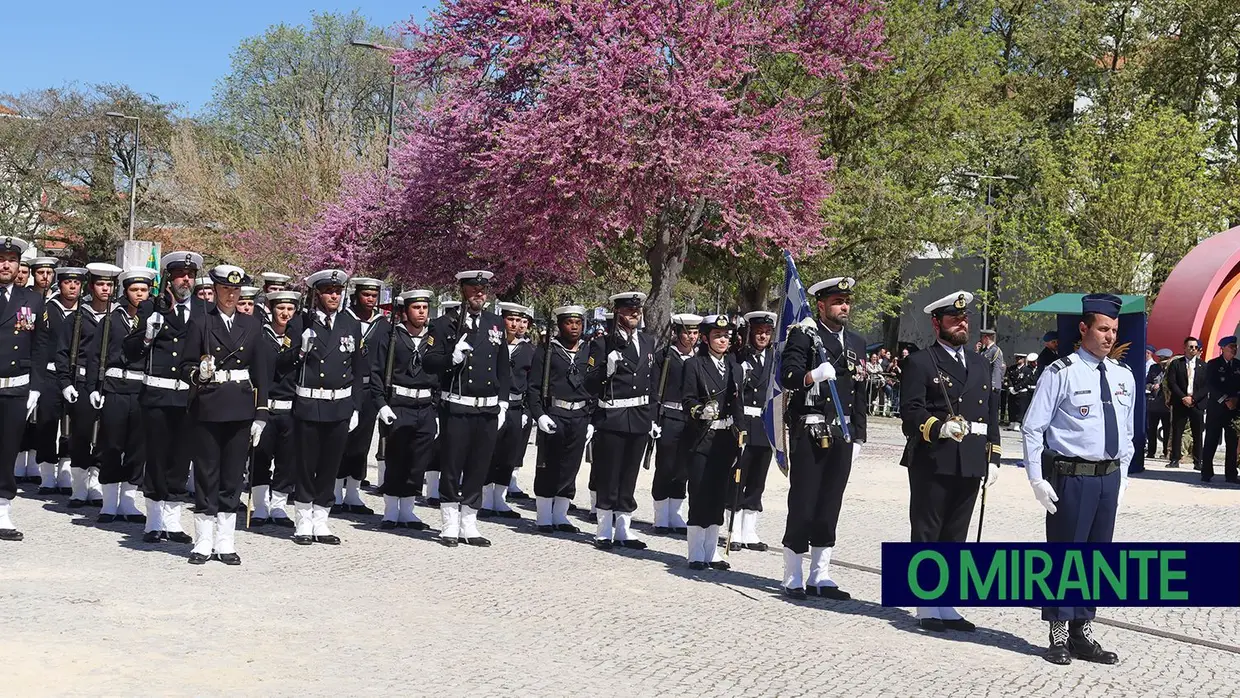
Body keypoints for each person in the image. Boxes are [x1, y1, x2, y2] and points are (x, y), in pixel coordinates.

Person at [1021, 293, 1133, 666]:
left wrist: (1125, 475)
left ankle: (1083, 630)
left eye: (1114, 330)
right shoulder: (1061, 372)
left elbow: (1128, 432)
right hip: (1072, 477)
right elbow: (1033, 428)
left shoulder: (1123, 376)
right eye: (1103, 328)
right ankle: (1057, 632)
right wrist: (1037, 478)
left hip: (1107, 478)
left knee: (1096, 558)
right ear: (1084, 328)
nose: (1109, 336)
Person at [899, 291, 1001, 631]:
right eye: (954, 319)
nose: (961, 324)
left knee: (956, 534)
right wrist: (939, 428)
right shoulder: (921, 361)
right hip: (934, 456)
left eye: (965, 319)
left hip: (971, 457)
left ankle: (947, 602)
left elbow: (991, 412)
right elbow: (910, 411)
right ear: (936, 323)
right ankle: (926, 604)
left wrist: (995, 454)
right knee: (928, 530)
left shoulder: (980, 363)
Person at [778, 276, 867, 600]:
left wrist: (859, 436)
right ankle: (793, 573)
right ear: (821, 305)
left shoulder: (855, 342)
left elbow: (859, 392)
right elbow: (786, 375)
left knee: (830, 503)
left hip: (842, 434)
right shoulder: (804, 335)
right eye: (837, 302)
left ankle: (820, 573)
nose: (844, 307)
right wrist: (812, 375)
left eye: (847, 301)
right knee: (803, 502)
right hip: (811, 431)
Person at [181, 264, 270, 565]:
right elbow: (185, 365)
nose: (231, 294)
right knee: (207, 474)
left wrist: (261, 413)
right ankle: (203, 540)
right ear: (215, 290)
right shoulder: (200, 322)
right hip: (208, 405)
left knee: (233, 476)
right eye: (225, 289)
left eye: (236, 290)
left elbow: (261, 373)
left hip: (241, 406)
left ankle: (226, 541)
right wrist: (198, 372)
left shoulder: (252, 324)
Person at [423, 270, 511, 547]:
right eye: (474, 289)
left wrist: (504, 402)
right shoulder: (444, 324)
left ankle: (470, 524)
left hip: (486, 408)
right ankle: (449, 523)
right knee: (452, 465)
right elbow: (429, 362)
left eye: (483, 290)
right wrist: (452, 357)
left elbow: (503, 366)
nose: (479, 295)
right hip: (457, 406)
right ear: (462, 290)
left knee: (478, 467)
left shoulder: (495, 323)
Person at [125, 251, 206, 543]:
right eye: (181, 274)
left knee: (180, 460)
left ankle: (172, 521)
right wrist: (147, 333)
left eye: (191, 275)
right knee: (156, 458)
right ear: (169, 278)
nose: (187, 279)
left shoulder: (202, 309)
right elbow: (129, 352)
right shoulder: (150, 307)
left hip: (187, 396)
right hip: (157, 394)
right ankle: (154, 520)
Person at [286, 269, 366, 545]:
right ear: (316, 294)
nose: (334, 296)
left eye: (338, 291)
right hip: (309, 403)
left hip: (339, 405)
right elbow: (282, 366)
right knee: (307, 465)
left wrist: (355, 405)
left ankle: (321, 520)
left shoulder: (350, 323)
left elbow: (358, 368)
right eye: (329, 291)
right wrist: (298, 351)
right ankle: (303, 520)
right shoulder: (301, 322)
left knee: (330, 465)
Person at [586, 291, 658, 551]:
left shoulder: (648, 342)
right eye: (629, 312)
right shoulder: (603, 344)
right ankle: (604, 529)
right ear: (618, 314)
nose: (634, 315)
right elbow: (589, 382)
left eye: (637, 311)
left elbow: (653, 383)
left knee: (629, 474)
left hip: (638, 417)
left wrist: (653, 417)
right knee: (609, 473)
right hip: (613, 416)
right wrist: (606, 370)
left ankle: (625, 529)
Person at [88, 268, 155, 525]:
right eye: (134, 290)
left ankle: (128, 501)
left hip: (141, 390)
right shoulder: (110, 320)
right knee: (112, 444)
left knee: (137, 448)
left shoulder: (154, 320)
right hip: (115, 387)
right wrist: (95, 387)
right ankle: (108, 503)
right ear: (125, 293)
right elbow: (96, 355)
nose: (139, 294)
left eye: (144, 290)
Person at [680, 314, 744, 569]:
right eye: (717, 336)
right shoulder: (694, 365)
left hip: (725, 439)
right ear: (705, 339)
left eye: (725, 336)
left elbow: (738, 405)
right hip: (702, 437)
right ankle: (695, 551)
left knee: (719, 493)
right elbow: (687, 399)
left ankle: (712, 551)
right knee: (699, 492)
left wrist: (742, 434)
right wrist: (699, 411)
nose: (722, 340)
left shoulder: (735, 367)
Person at [371, 290, 438, 531]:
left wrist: (436, 409)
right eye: (416, 308)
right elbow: (377, 372)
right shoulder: (391, 336)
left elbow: (441, 374)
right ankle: (390, 510)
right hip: (398, 404)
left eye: (425, 308)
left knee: (418, 460)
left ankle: (408, 509)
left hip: (425, 406)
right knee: (396, 458)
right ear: (405, 311)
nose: (421, 312)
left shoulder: (434, 338)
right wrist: (381, 404)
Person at [57, 262, 122, 508]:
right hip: (82, 381)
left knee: (105, 434)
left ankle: (95, 483)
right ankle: (78, 486)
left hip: (108, 383)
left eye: (109, 285)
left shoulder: (118, 317)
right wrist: (65, 382)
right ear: (91, 286)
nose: (105, 289)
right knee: (81, 433)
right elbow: (63, 351)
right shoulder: (77, 317)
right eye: (100, 284)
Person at [527, 305, 594, 534]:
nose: (574, 327)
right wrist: (539, 415)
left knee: (571, 465)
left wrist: (591, 419)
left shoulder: (589, 350)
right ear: (560, 325)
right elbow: (534, 387)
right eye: (568, 322)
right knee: (548, 464)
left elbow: (595, 386)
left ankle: (561, 514)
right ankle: (544, 515)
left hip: (580, 415)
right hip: (555, 413)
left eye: (578, 323)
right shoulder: (547, 350)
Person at [0, 237, 50, 542]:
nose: (6, 265)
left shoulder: (32, 300)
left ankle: (2, 509)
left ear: (20, 266)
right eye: (1, 259)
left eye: (11, 260)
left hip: (16, 388)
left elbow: (42, 344)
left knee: (7, 452)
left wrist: (36, 386)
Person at [336, 277, 387, 516]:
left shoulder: (383, 323)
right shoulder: (344, 319)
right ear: (356, 295)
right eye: (366, 295)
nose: (370, 300)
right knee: (340, 440)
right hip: (346, 387)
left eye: (374, 296)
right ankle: (335, 491)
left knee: (362, 442)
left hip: (369, 388)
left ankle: (354, 492)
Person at [250, 290, 301, 527]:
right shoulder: (260, 335)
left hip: (290, 408)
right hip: (265, 407)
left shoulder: (299, 337)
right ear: (272, 309)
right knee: (260, 457)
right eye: (281, 308)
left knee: (286, 460)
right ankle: (260, 506)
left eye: (290, 309)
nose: (285, 314)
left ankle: (279, 506)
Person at [35, 265, 86, 495]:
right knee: (47, 421)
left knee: (72, 425)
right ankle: (46, 474)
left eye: (76, 283)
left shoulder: (84, 312)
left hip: (74, 375)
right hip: (50, 373)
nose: (72, 286)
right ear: (60, 284)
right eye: (68, 282)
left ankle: (65, 472)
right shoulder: (47, 309)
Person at [482, 302, 534, 519]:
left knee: (508, 454)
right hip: (494, 404)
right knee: (488, 452)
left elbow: (532, 382)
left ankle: (500, 500)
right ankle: (485, 499)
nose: (514, 324)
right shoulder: (491, 344)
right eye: (510, 319)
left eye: (517, 320)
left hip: (516, 406)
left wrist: (526, 410)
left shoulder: (528, 349)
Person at [728, 310, 775, 552]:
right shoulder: (738, 358)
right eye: (758, 333)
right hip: (743, 422)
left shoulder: (775, 360)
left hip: (764, 426)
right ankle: (733, 529)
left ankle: (749, 530)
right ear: (750, 334)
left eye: (767, 333)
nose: (763, 337)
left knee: (757, 480)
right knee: (738, 477)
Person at [650, 313, 700, 534]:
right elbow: (654, 388)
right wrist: (653, 418)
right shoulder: (666, 356)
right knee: (666, 466)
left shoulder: (700, 358)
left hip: (692, 419)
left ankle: (675, 513)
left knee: (683, 468)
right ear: (677, 333)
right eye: (687, 333)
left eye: (695, 333)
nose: (691, 337)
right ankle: (661, 515)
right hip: (669, 415)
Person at [13, 257, 57, 485]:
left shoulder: (58, 301)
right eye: (41, 272)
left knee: (45, 419)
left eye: (50, 273)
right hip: (25, 364)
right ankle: (21, 462)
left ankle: (40, 464)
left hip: (51, 367)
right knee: (24, 418)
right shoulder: (25, 299)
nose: (45, 277)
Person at [423, 298, 461, 505]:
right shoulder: (439, 327)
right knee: (436, 444)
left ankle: (442, 488)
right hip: (438, 389)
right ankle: (432, 489)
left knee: (448, 445)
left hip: (453, 391)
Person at [1202, 336, 1240, 483]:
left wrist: (1236, 400)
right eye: (1231, 346)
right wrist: (1225, 399)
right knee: (1211, 440)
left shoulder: (1238, 365)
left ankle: (1231, 474)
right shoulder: (1213, 364)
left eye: (1235, 346)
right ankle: (1206, 472)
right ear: (1222, 348)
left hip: (1234, 409)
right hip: (1217, 409)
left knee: (1232, 442)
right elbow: (1210, 385)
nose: (1234, 349)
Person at [1166, 336, 1206, 469]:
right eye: (1191, 347)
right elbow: (1172, 382)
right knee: (1177, 431)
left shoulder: (1203, 365)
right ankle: (1175, 459)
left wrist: (1194, 399)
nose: (1193, 349)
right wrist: (1183, 397)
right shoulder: (1176, 364)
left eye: (1196, 347)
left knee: (1197, 432)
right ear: (1184, 348)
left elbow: (1206, 386)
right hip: (1180, 402)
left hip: (1197, 403)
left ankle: (1198, 460)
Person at [1145, 349, 1173, 459]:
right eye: (1161, 359)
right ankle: (1151, 452)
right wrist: (1152, 386)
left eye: (1164, 360)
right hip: (1153, 404)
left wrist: (1162, 386)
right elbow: (1147, 383)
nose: (1162, 362)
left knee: (1167, 430)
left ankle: (1166, 452)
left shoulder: (1172, 369)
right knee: (1151, 429)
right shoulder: (1154, 368)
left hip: (1166, 405)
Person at [978, 328, 1005, 396]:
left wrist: (994, 384)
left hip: (992, 385)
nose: (981, 339)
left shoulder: (995, 350)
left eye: (982, 337)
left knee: (992, 406)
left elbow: (997, 368)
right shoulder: (983, 351)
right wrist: (977, 351)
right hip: (985, 383)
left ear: (986, 338)